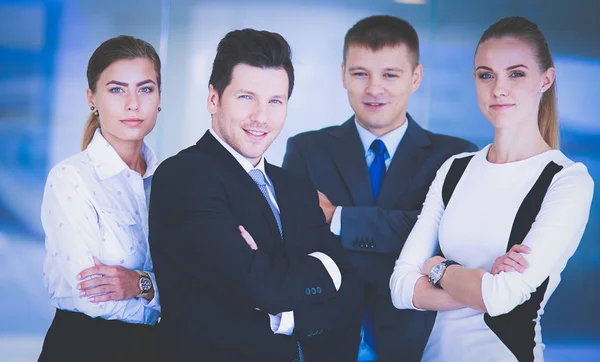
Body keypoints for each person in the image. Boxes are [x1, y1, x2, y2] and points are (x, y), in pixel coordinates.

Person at [148, 28, 363, 362]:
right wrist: (321, 270)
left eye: (275, 101)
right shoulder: (185, 176)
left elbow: (349, 288)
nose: (261, 117)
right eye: (246, 97)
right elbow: (256, 284)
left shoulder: (294, 187)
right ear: (213, 98)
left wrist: (281, 311)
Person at [389, 16, 594, 362]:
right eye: (486, 75)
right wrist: (479, 284)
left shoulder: (567, 180)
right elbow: (399, 286)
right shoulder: (455, 169)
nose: (498, 88)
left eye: (516, 74)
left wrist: (436, 267)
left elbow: (500, 298)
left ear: (546, 79)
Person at [282, 15, 476, 361]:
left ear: (415, 77)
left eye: (390, 74)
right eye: (360, 74)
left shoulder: (455, 156)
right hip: (326, 338)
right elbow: (296, 242)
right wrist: (404, 224)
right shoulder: (307, 150)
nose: (374, 89)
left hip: (421, 340)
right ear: (343, 74)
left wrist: (338, 218)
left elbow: (445, 237)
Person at [38, 35, 162, 362]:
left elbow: (200, 283)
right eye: (117, 89)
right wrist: (162, 293)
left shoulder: (171, 182)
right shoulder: (72, 179)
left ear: (159, 98)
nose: (133, 103)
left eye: (145, 89)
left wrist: (140, 284)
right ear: (92, 98)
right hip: (86, 347)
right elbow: (92, 297)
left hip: (158, 348)